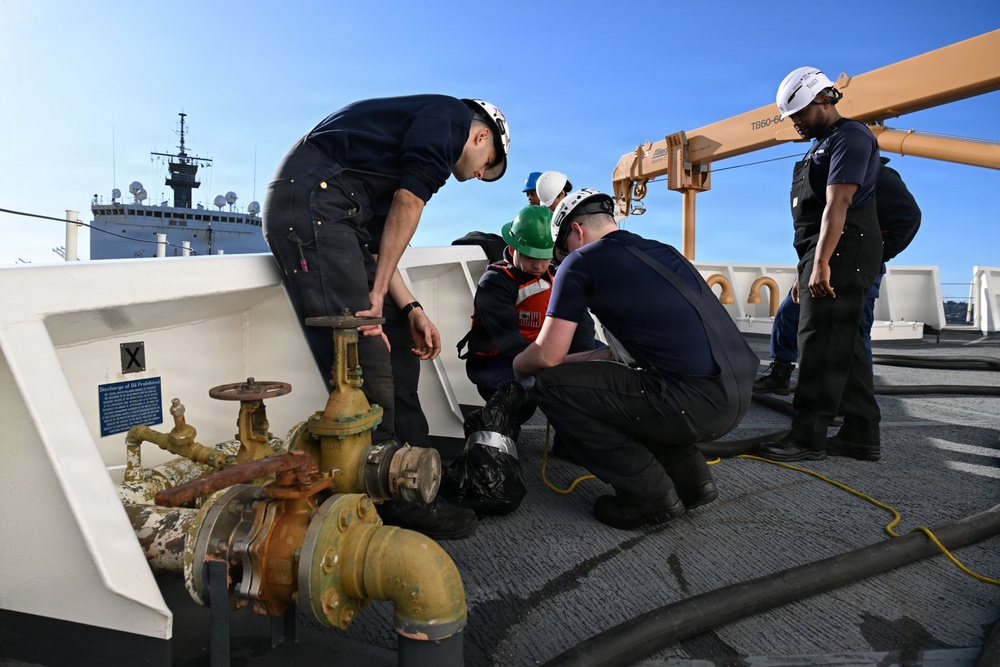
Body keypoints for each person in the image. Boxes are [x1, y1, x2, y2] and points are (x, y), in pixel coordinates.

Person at [263, 94, 510, 539]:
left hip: (338, 215)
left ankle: (417, 473)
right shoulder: (450, 117)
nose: (478, 175)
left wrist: (411, 308)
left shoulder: (390, 161)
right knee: (366, 348)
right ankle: (392, 496)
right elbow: (409, 202)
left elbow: (381, 246)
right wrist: (375, 294)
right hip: (313, 206)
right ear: (480, 136)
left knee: (397, 340)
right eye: (486, 163)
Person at [512, 189, 759, 530]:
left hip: (692, 404)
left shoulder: (581, 261)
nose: (564, 256)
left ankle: (649, 495)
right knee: (625, 387)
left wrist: (519, 365)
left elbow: (546, 355)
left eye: (563, 248)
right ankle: (691, 479)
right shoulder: (662, 251)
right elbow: (611, 356)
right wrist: (570, 363)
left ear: (577, 231)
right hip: (736, 394)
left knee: (551, 387)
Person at [756, 67, 884, 463]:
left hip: (843, 250)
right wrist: (807, 267)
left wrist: (823, 261)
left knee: (819, 343)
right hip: (825, 252)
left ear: (824, 101)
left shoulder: (851, 137)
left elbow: (838, 203)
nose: (794, 121)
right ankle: (861, 433)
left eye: (799, 113)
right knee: (846, 345)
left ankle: (807, 437)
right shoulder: (821, 145)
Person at [754, 158, 922, 404]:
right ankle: (781, 373)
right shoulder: (829, 176)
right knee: (789, 314)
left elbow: (909, 217)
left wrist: (875, 253)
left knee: (854, 331)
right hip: (819, 262)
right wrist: (804, 269)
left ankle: (853, 402)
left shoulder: (879, 176)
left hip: (858, 265)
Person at [458, 205, 598, 425]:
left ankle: (574, 437)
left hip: (546, 352)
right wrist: (553, 368)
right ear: (513, 248)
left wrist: (582, 364)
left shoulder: (557, 276)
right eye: (532, 256)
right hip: (500, 361)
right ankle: (496, 434)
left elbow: (581, 321)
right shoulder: (494, 283)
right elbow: (509, 342)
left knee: (603, 366)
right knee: (519, 397)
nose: (539, 265)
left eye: (545, 257)